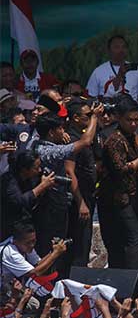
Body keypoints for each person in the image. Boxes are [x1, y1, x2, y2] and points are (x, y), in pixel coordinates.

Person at [97, 95, 138, 284]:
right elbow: (122, 169)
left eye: (136, 119)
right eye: (129, 120)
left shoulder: (137, 137)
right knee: (132, 241)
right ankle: (130, 284)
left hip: (136, 197)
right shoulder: (114, 140)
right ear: (118, 118)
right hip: (117, 199)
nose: (133, 124)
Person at [32, 108, 101, 273]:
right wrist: (94, 117)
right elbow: (85, 141)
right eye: (60, 128)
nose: (64, 131)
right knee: (54, 249)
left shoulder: (36, 143)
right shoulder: (50, 151)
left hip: (57, 206)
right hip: (51, 209)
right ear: (50, 133)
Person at [64, 100, 99, 267]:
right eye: (88, 115)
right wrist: (81, 202)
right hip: (78, 197)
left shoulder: (83, 135)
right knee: (79, 242)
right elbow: (69, 171)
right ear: (76, 118)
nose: (91, 118)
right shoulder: (71, 138)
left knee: (84, 243)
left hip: (88, 193)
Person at [0, 150, 56, 238]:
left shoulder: (30, 179)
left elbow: (32, 202)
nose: (39, 170)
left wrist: (43, 189)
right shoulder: (9, 180)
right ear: (25, 169)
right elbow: (20, 202)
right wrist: (41, 186)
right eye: (36, 168)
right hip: (7, 227)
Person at [0, 222, 68, 289]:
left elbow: (37, 264)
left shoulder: (25, 245)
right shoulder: (10, 253)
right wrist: (55, 254)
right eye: (28, 243)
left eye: (33, 241)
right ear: (15, 241)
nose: (32, 245)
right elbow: (35, 273)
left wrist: (52, 251)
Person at [86, 35, 138, 99]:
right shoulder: (99, 71)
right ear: (109, 50)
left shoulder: (137, 70)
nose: (121, 50)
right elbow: (91, 96)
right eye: (116, 47)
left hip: (133, 108)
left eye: (124, 47)